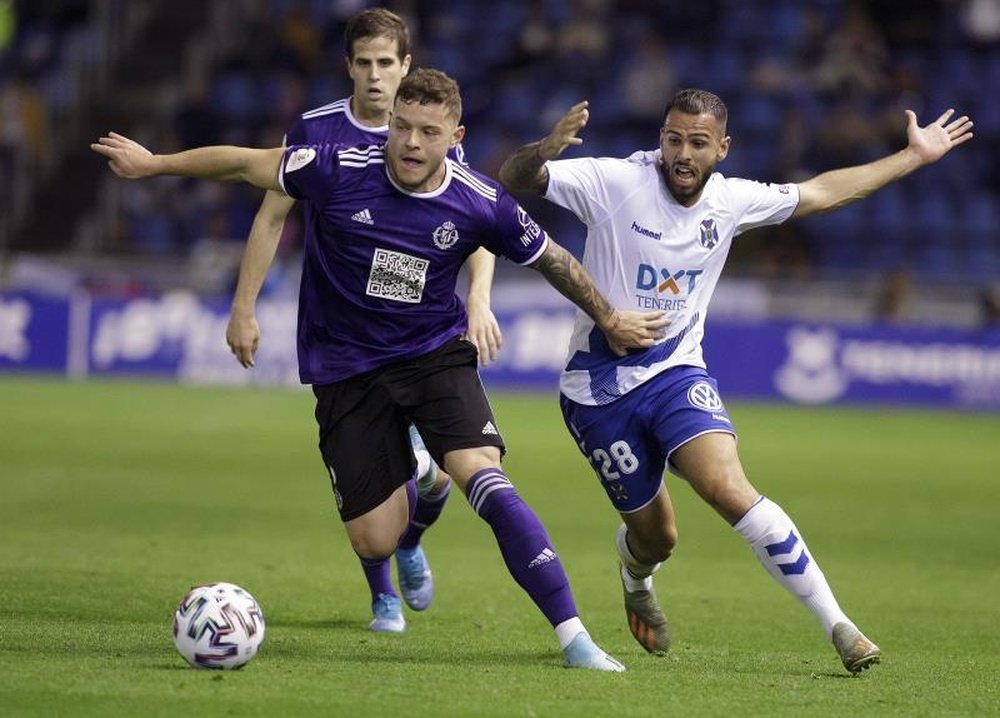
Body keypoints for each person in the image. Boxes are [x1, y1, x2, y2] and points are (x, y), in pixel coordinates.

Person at [91, 68, 671, 671]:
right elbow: (244, 163)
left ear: (455, 135)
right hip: (347, 368)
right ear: (388, 125)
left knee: (484, 477)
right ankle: (413, 500)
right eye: (401, 127)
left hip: (432, 356)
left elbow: (553, 259)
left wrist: (608, 316)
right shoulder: (337, 167)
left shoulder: (479, 201)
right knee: (375, 539)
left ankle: (574, 637)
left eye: (427, 131)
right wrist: (154, 164)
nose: (411, 143)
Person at [498, 88, 973, 673]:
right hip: (596, 393)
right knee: (658, 538)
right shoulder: (614, 182)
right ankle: (634, 569)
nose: (682, 154)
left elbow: (823, 192)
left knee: (728, 488)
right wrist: (543, 149)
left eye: (698, 143)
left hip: (676, 373)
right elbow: (518, 177)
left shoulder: (732, 201)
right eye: (673, 139)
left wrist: (914, 157)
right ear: (661, 137)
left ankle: (839, 626)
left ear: (722, 148)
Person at [224, 8, 503, 634]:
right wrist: (244, 306)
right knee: (368, 477)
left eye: (388, 64)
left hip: (417, 330)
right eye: (365, 63)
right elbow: (273, 216)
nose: (376, 77)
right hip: (341, 333)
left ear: (407, 67)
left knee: (431, 478)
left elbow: (479, 218)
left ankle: (409, 542)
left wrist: (479, 298)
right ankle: (383, 594)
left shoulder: (427, 127)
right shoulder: (316, 130)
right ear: (349, 66)